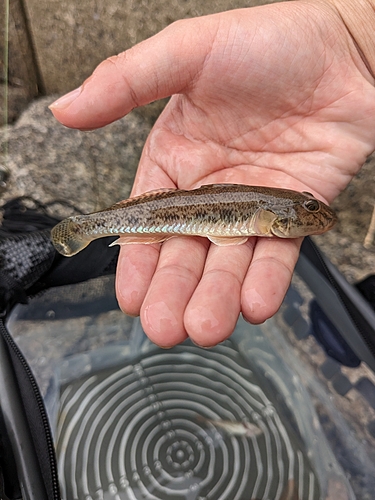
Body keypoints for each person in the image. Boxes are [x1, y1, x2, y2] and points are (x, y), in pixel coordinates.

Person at [49, 0, 375, 348]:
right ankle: (88, 227)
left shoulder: (273, 208)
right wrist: (352, 28)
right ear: (273, 219)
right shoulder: (270, 211)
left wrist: (355, 33)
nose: (313, 218)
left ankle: (91, 226)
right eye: (308, 216)